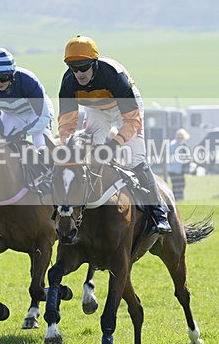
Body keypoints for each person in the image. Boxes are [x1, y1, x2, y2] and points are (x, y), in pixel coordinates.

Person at [58, 35, 171, 234]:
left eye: (84, 67)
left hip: (126, 109)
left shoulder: (113, 76)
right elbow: (67, 123)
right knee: (88, 155)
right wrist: (67, 145)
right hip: (96, 110)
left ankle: (158, 211)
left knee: (135, 157)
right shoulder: (68, 82)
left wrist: (114, 143)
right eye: (73, 68)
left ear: (94, 63)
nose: (79, 74)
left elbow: (132, 120)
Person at [0, 48, 54, 147]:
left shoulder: (28, 81)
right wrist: (0, 134)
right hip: (11, 114)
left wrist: (23, 133)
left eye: (3, 78)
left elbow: (43, 116)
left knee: (41, 144)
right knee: (1, 144)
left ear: (12, 74)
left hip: (36, 113)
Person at [168, 129, 191, 201]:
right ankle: (178, 199)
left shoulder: (171, 144)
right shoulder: (182, 146)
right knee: (180, 185)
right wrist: (186, 171)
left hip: (171, 170)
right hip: (178, 170)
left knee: (175, 185)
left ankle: (175, 199)